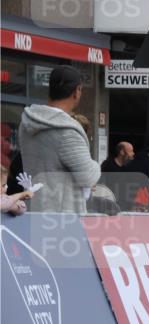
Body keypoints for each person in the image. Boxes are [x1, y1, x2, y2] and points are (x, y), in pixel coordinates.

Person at [17, 65, 100, 213]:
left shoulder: (26, 124)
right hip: (63, 219)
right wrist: (95, 165)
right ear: (77, 91)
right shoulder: (67, 131)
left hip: (32, 211)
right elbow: (88, 176)